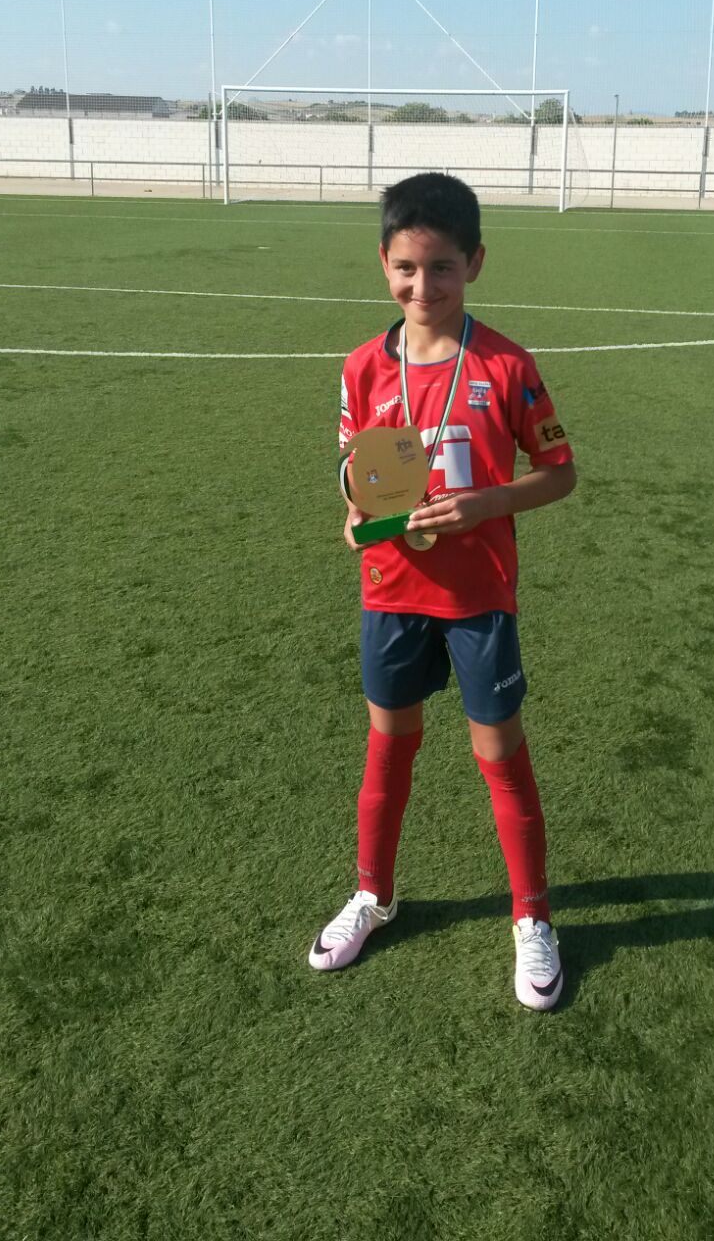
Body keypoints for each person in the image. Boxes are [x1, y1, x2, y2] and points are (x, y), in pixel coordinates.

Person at [309, 171, 576, 1009]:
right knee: (388, 748)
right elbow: (355, 481)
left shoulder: (506, 364)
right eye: (407, 269)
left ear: (476, 264)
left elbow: (559, 472)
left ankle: (531, 916)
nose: (424, 286)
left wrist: (491, 500)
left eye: (443, 268)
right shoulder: (362, 368)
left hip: (479, 597)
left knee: (499, 755)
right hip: (391, 591)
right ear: (383, 264)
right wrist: (365, 521)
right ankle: (373, 896)